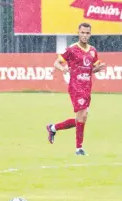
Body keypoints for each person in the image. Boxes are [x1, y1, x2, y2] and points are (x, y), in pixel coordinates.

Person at [46, 23, 106, 155]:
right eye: (82, 33)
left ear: (90, 34)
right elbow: (56, 63)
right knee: (82, 116)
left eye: (87, 33)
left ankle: (53, 128)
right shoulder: (72, 49)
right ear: (78, 32)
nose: (84, 35)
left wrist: (98, 69)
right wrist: (64, 69)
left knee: (82, 118)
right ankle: (79, 149)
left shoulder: (93, 51)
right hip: (75, 86)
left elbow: (91, 69)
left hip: (87, 87)